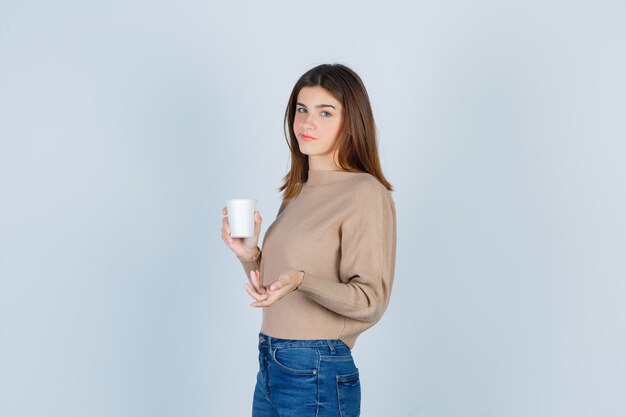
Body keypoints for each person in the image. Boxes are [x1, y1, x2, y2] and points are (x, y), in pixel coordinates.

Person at [221, 63, 396, 417]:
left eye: (325, 112)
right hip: (272, 360)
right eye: (301, 109)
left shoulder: (364, 192)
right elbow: (278, 290)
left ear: (351, 122)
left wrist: (303, 280)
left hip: (316, 366)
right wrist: (249, 254)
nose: (307, 122)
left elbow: (370, 299)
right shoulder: (297, 192)